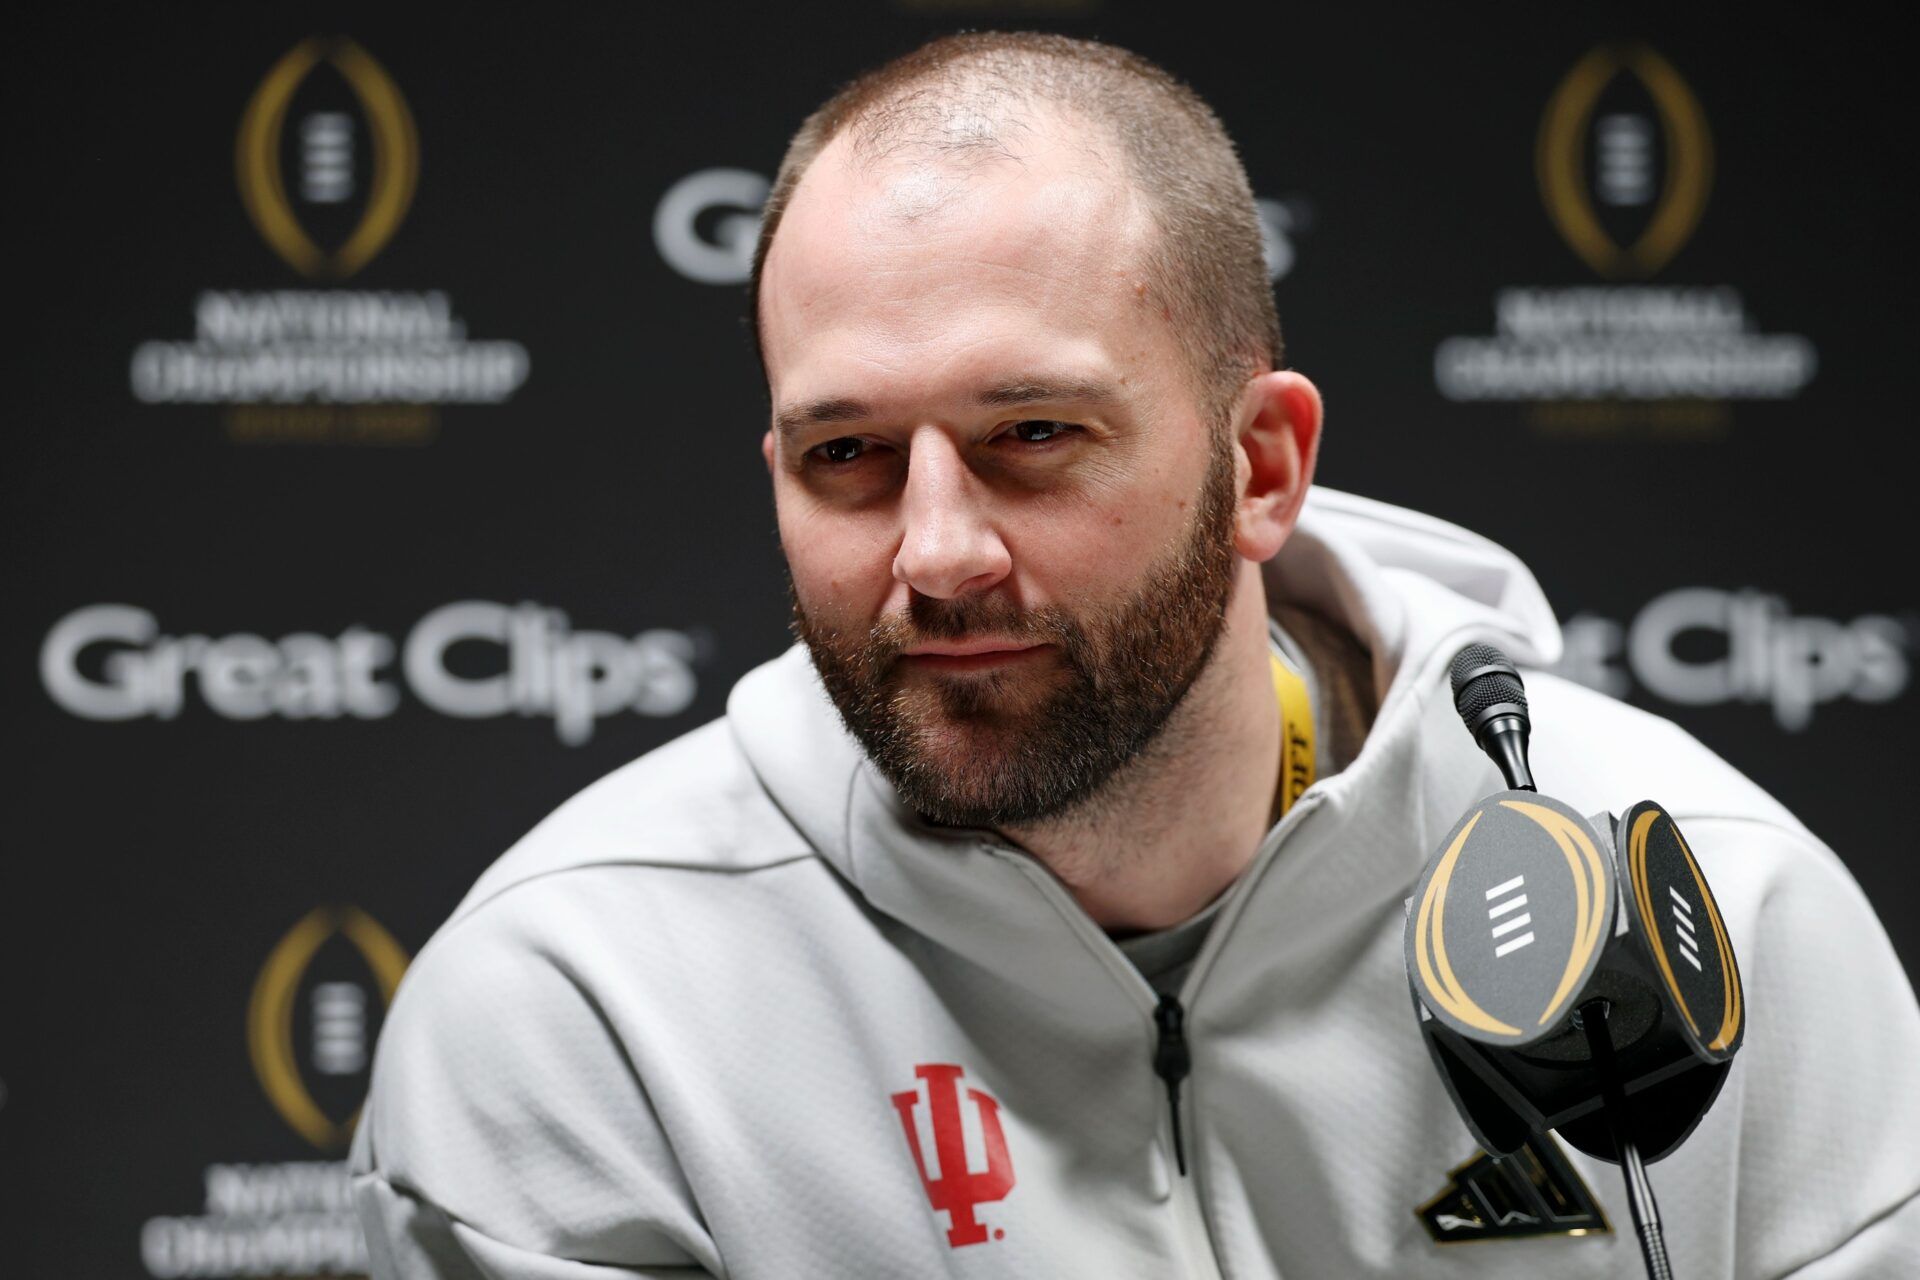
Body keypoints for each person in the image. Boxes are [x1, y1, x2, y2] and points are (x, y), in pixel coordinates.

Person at [351, 31, 1920, 1279]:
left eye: (1033, 435)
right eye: (847, 454)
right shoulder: (580, 1010)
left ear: (1261, 467)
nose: (937, 550)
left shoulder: (1720, 908)